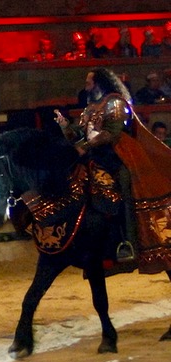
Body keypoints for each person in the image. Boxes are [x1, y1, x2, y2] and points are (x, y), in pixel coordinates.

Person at [54, 68, 134, 260]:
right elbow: (79, 133)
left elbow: (111, 134)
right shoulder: (90, 107)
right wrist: (65, 126)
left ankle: (126, 241)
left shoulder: (115, 103)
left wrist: (86, 146)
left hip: (112, 157)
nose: (86, 86)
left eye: (89, 82)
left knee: (120, 190)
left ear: (99, 83)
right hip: (92, 157)